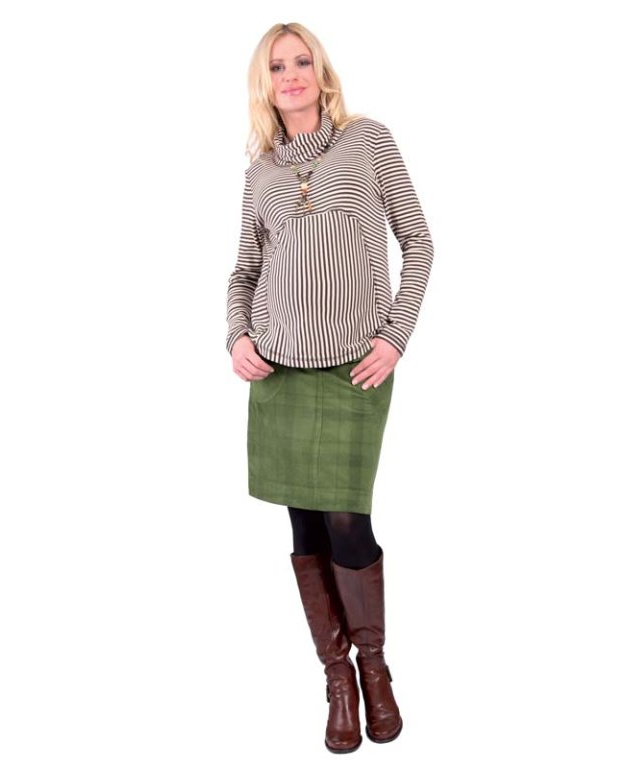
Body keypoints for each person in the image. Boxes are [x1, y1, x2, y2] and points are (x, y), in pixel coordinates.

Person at [225, 22, 433, 754]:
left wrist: (394, 336)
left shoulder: (367, 141)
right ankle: (337, 679)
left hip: (354, 368)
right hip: (278, 371)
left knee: (348, 520)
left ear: (321, 71)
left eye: (302, 61)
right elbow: (244, 272)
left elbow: (418, 241)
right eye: (277, 66)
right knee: (305, 527)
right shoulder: (261, 173)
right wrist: (237, 335)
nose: (291, 74)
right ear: (265, 83)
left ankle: (375, 667)